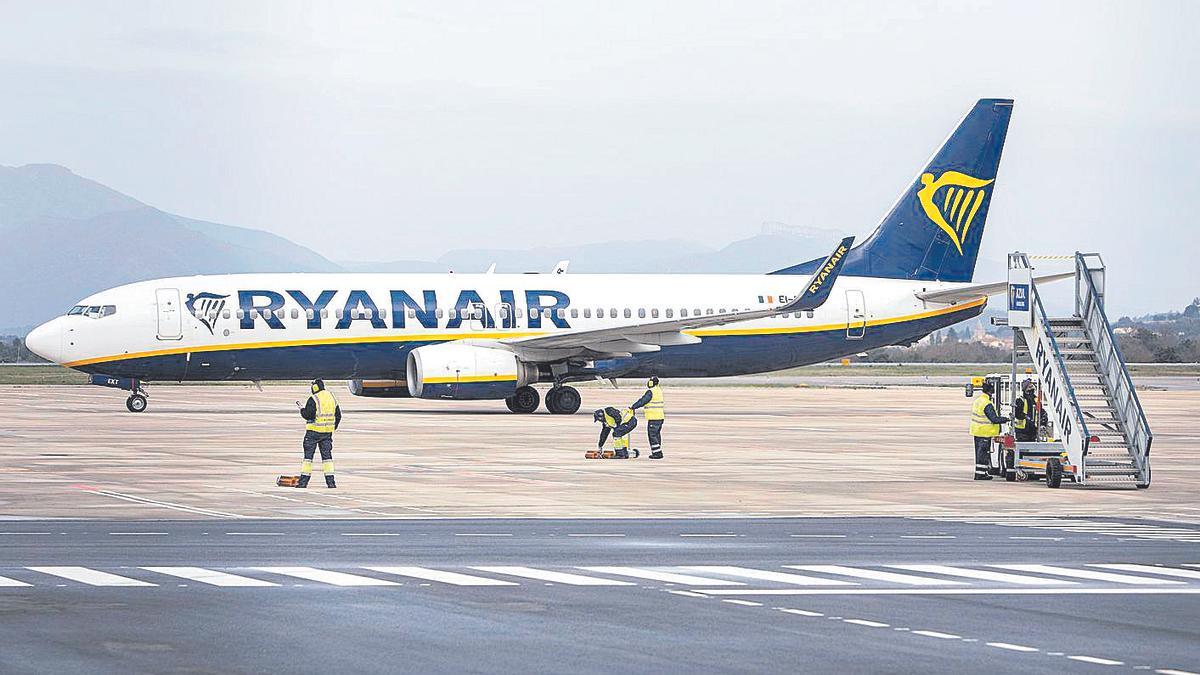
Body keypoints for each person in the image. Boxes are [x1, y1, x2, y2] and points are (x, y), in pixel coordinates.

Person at [297, 379, 341, 488]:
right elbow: (338, 415)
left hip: (313, 432)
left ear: (315, 387)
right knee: (327, 459)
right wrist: (332, 427)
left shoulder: (314, 399)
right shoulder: (331, 397)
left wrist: (302, 410)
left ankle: (303, 483)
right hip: (327, 434)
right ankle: (331, 483)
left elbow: (308, 415)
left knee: (308, 459)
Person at [969, 380, 1008, 480]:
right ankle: (980, 474)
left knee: (979, 453)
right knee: (983, 454)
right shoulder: (987, 403)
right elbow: (994, 419)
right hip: (984, 432)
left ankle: (980, 473)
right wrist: (1006, 419)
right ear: (991, 391)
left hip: (977, 431)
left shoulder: (978, 400)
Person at [629, 375, 665, 459]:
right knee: (656, 435)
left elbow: (643, 401)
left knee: (652, 435)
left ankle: (657, 453)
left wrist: (633, 407)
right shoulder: (658, 390)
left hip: (653, 417)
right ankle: (658, 451)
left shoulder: (651, 391)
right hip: (660, 417)